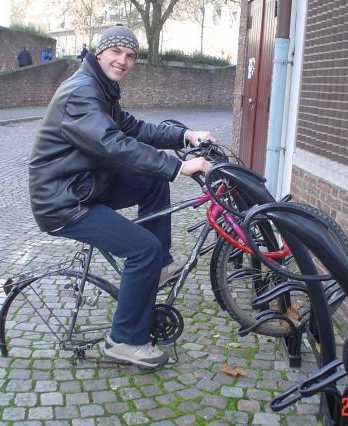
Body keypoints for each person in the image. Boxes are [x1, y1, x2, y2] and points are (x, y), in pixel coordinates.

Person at [28, 24, 214, 369]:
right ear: (100, 53)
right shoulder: (82, 93)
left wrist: (185, 135)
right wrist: (177, 167)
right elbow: (112, 144)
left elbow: (136, 128)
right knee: (143, 248)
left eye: (130, 55)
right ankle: (125, 340)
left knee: (152, 182)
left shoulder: (101, 88)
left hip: (85, 185)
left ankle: (159, 266)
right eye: (116, 52)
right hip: (63, 202)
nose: (123, 60)